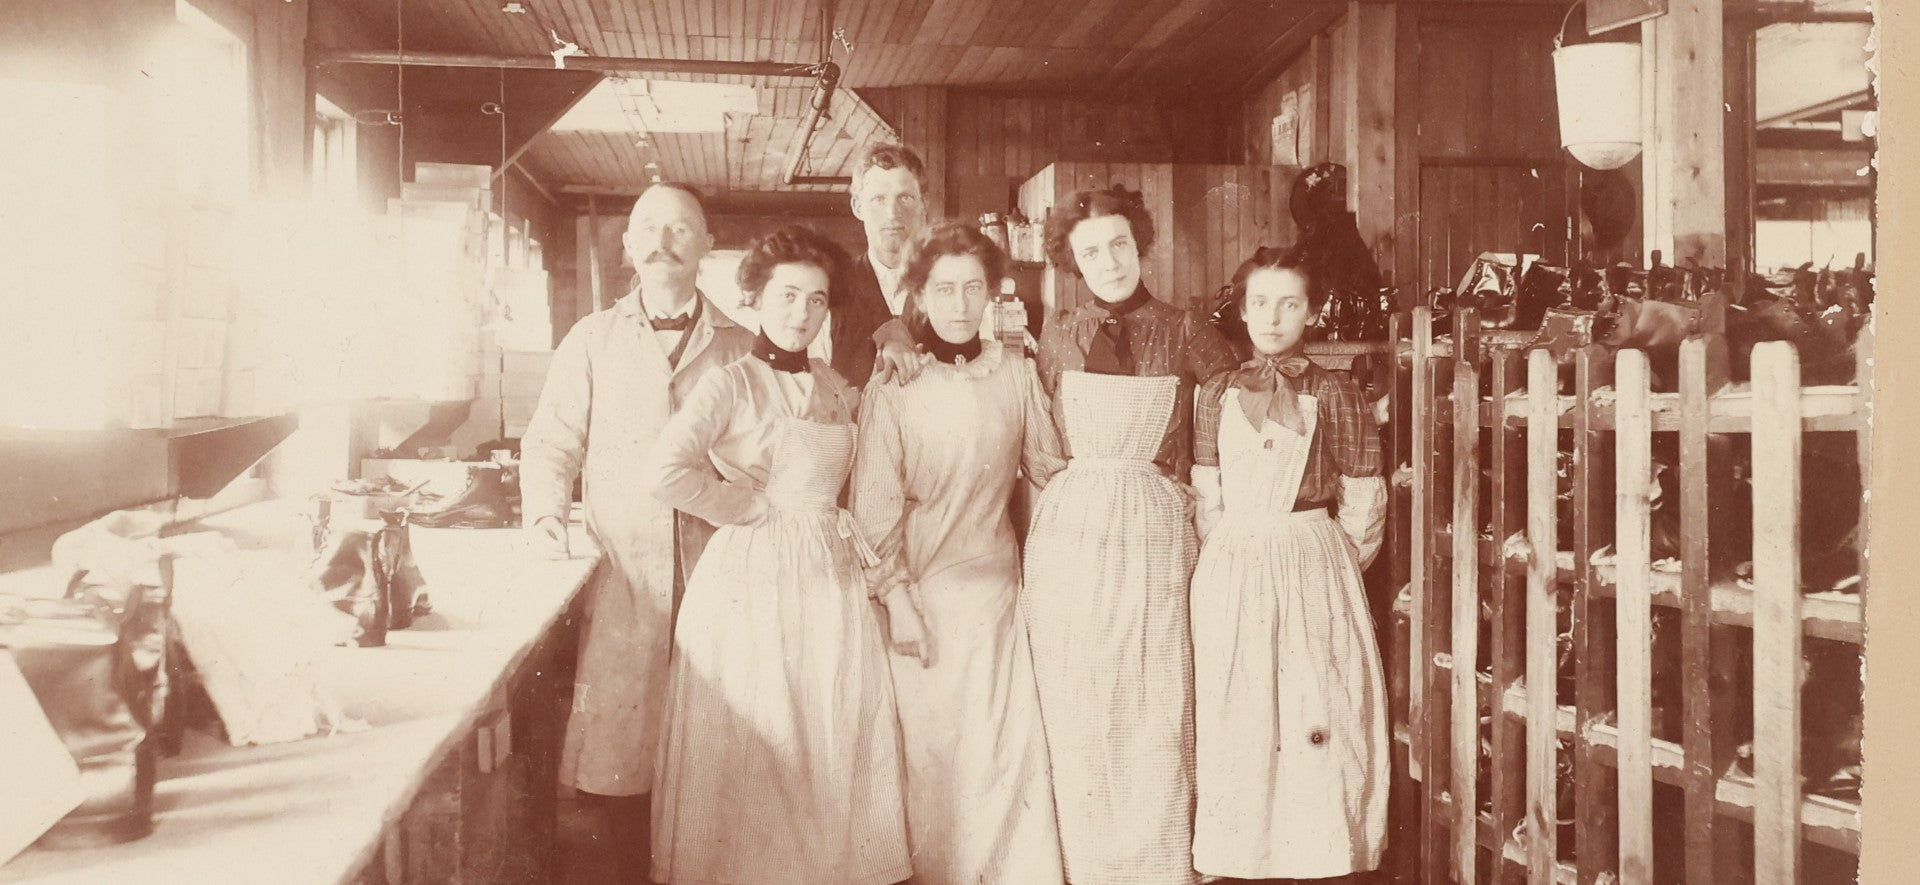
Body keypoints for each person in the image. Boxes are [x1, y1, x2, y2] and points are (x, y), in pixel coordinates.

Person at [645, 225, 911, 885]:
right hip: (753, 581)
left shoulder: (833, 384)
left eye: (816, 301)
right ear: (757, 298)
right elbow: (665, 473)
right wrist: (744, 505)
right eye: (788, 296)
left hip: (828, 577)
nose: (801, 313)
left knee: (826, 724)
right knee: (765, 732)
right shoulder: (728, 384)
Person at [519, 181, 752, 881]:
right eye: (648, 227)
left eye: (681, 229)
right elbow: (550, 444)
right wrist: (544, 520)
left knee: (716, 743)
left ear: (707, 246)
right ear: (627, 247)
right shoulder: (591, 340)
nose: (662, 241)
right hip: (623, 575)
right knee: (624, 755)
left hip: (721, 574)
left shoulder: (742, 343)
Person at [1023, 185, 1239, 885]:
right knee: (1079, 695)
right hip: (1074, 538)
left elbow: (1240, 407)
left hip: (1154, 533)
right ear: (1070, 261)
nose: (1108, 260)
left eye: (1119, 243)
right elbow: (1041, 432)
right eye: (1091, 251)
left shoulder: (1185, 329)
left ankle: (1158, 864)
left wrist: (1188, 480)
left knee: (1154, 698)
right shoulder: (1057, 334)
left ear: (1139, 243)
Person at [849, 222, 1066, 885]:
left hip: (999, 595)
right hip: (921, 602)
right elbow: (874, 510)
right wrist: (899, 600)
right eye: (944, 289)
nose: (960, 303)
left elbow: (1050, 472)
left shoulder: (1016, 372)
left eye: (975, 287)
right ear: (917, 294)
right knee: (935, 764)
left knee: (1004, 759)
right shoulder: (892, 387)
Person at [1188, 246, 1388, 881]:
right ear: (1242, 311)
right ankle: (1243, 855)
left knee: (1313, 701)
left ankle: (1320, 851)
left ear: (1313, 310)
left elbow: (1364, 491)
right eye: (1261, 303)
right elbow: (1206, 490)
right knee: (1240, 703)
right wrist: (1235, 550)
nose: (1274, 317)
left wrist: (1331, 564)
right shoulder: (1217, 392)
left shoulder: (1335, 392)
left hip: (1311, 559)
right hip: (1237, 560)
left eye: (1290, 303)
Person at [826, 142, 932, 387]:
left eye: (904, 198)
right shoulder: (832, 289)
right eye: (878, 199)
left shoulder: (946, 285)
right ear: (858, 207)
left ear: (923, 205)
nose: (892, 213)